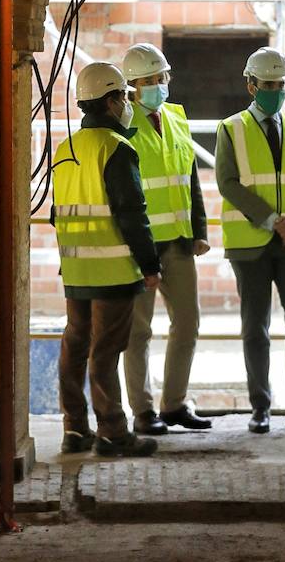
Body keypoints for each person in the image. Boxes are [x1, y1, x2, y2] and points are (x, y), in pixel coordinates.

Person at [51, 61, 161, 457]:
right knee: (105, 353)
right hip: (113, 271)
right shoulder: (117, 148)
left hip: (76, 270)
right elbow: (132, 213)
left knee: (75, 347)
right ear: (112, 101)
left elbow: (55, 213)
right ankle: (113, 433)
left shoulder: (67, 149)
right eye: (125, 97)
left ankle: (75, 430)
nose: (128, 103)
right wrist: (150, 265)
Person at [215, 46, 285, 435]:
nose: (275, 91)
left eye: (280, 85)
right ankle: (260, 406)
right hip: (251, 243)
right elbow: (227, 183)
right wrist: (269, 219)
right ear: (250, 86)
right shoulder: (231, 129)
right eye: (268, 85)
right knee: (255, 328)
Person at [121, 42, 212, 435]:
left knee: (188, 323)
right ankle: (143, 412)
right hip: (140, 247)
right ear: (131, 88)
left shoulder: (176, 117)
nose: (160, 85)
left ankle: (174, 404)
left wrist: (200, 231)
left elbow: (189, 178)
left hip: (178, 241)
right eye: (150, 80)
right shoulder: (123, 125)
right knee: (138, 331)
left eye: (162, 78)